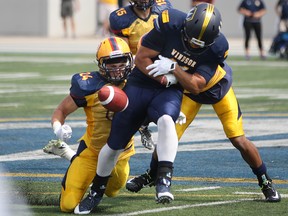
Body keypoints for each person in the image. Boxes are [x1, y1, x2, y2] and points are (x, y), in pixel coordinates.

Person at [125, 3, 281, 204]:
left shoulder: (218, 47)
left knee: (237, 138)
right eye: (191, 39)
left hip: (216, 90)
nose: (194, 46)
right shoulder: (171, 23)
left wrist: (173, 68)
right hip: (187, 91)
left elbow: (197, 84)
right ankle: (151, 175)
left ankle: (265, 181)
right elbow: (144, 49)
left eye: (201, 43)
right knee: (168, 132)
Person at [73, 6, 185, 216]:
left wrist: (175, 73)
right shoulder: (150, 37)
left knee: (167, 121)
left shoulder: (203, 46)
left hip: (168, 89)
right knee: (115, 143)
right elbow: (141, 60)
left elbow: (196, 80)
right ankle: (96, 191)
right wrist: (168, 74)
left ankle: (164, 179)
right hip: (142, 83)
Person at [45, 37, 135, 213]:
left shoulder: (137, 84)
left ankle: (68, 154)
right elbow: (61, 111)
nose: (117, 69)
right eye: (111, 64)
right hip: (92, 151)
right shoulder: (88, 85)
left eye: (121, 63)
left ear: (129, 61)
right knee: (67, 206)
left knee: (112, 191)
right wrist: (58, 128)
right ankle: (73, 157)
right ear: (101, 65)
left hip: (120, 154)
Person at [109, 0, 173, 150]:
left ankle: (145, 123)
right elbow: (123, 50)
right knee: (127, 105)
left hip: (160, 64)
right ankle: (134, 128)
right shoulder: (122, 18)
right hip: (136, 66)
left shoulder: (163, 9)